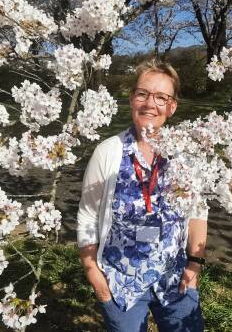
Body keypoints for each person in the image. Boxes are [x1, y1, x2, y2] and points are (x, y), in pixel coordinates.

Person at [77, 58, 207, 332]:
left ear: (172, 107)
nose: (150, 104)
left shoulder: (188, 155)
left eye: (161, 97)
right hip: (119, 284)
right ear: (132, 99)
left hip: (176, 281)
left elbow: (198, 212)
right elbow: (87, 215)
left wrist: (195, 265)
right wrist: (94, 275)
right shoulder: (108, 152)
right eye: (143, 94)